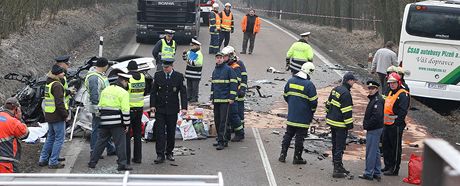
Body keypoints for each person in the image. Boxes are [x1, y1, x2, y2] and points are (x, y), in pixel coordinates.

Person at [88, 73, 132, 171]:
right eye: (127, 82)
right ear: (123, 81)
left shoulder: (105, 90)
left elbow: (99, 106)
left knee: (100, 142)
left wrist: (102, 118)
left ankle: (92, 162)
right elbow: (125, 110)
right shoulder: (123, 93)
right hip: (117, 123)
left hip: (104, 121)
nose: (127, 84)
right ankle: (122, 164)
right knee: (120, 144)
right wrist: (126, 124)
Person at [278, 62, 317, 165]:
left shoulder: (290, 81)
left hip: (292, 114)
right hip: (303, 117)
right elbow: (314, 102)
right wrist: (311, 112)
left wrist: (293, 104)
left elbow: (286, 96)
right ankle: (297, 157)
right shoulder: (309, 85)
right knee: (300, 137)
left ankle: (283, 154)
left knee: (288, 134)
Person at [150, 59, 187, 164]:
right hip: (160, 109)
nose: (165, 69)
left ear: (172, 66)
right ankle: (160, 154)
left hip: (172, 108)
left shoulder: (179, 77)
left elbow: (183, 93)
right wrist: (152, 105)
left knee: (171, 132)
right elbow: (153, 92)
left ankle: (169, 152)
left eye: (167, 67)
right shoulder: (158, 75)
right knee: (160, 132)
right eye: (164, 67)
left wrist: (184, 107)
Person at [325, 72, 357, 178]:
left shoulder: (335, 89)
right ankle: (337, 169)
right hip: (340, 125)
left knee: (335, 145)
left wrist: (329, 115)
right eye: (353, 80)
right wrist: (350, 127)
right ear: (349, 81)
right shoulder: (346, 94)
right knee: (340, 146)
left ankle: (337, 165)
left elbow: (328, 105)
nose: (354, 82)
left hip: (332, 122)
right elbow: (347, 112)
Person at [84, 57, 116, 159]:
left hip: (103, 106)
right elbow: (95, 95)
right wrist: (98, 109)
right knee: (97, 129)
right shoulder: (94, 78)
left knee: (105, 128)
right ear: (105, 66)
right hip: (99, 107)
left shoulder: (99, 76)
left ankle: (110, 148)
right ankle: (94, 151)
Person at [38, 65, 68, 169]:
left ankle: (43, 159)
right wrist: (65, 115)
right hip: (57, 116)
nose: (64, 74)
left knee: (50, 137)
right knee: (59, 139)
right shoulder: (57, 85)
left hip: (49, 114)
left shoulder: (49, 83)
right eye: (62, 72)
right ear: (57, 74)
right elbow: (59, 103)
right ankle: (53, 161)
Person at [382, 72, 410, 176]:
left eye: (394, 83)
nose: (392, 85)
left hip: (396, 125)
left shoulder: (403, 94)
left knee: (395, 148)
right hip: (386, 123)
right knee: (386, 146)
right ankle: (387, 165)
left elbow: (403, 111)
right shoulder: (390, 92)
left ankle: (394, 169)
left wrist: (397, 123)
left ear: (398, 82)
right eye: (390, 83)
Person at [211, 52, 237, 150]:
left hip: (225, 100)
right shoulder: (215, 71)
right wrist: (212, 97)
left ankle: (222, 141)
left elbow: (234, 83)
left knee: (223, 121)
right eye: (217, 58)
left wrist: (232, 97)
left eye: (220, 58)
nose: (219, 59)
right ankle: (221, 139)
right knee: (217, 120)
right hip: (217, 100)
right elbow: (213, 85)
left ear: (223, 59)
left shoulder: (228, 70)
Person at [359, 81, 384, 182]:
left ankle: (369, 173)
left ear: (377, 89)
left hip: (374, 129)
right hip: (376, 128)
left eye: (372, 88)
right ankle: (377, 172)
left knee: (371, 151)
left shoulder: (377, 100)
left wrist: (367, 125)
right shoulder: (376, 99)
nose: (370, 90)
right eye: (369, 88)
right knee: (376, 151)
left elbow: (376, 117)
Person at [0, 97, 29, 173]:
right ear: (16, 109)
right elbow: (25, 134)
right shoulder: (13, 122)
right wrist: (19, 119)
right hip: (6, 162)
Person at [224, 46, 248, 138]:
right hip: (233, 94)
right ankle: (235, 129)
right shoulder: (228, 65)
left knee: (238, 113)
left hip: (239, 93)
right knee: (233, 113)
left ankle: (240, 130)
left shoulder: (238, 64)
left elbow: (243, 78)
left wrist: (242, 89)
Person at [126, 60, 146, 164]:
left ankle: (127, 159)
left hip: (129, 109)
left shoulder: (127, 78)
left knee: (127, 135)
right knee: (138, 134)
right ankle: (138, 158)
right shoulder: (142, 76)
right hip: (139, 108)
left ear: (128, 68)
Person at [182, 39, 204, 103]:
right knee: (189, 86)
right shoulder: (190, 52)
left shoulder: (199, 54)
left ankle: (194, 98)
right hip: (189, 73)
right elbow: (185, 59)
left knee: (195, 87)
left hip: (195, 74)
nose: (192, 47)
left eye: (193, 45)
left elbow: (198, 63)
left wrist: (189, 61)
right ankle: (189, 97)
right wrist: (184, 54)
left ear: (197, 46)